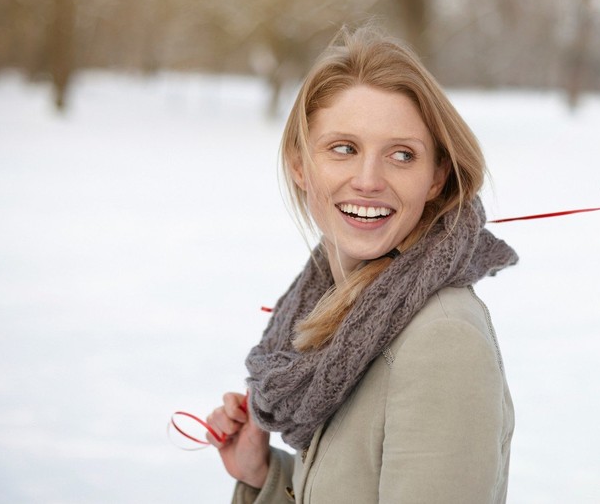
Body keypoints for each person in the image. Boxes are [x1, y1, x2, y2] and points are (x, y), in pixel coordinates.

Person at [206, 25, 518, 503]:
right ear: (299, 163)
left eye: (401, 155)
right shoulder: (342, 310)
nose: (368, 180)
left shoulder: (443, 340)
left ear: (436, 177)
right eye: (344, 149)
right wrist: (266, 475)